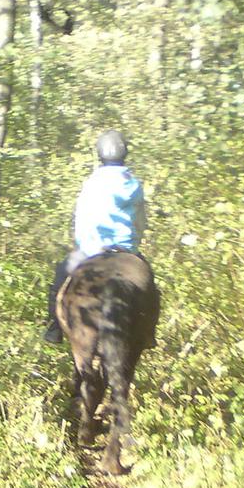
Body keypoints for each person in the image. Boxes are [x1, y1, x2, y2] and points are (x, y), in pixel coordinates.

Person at [44, 130, 147, 343]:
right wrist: (134, 242)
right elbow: (140, 220)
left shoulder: (92, 183)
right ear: (124, 154)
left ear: (99, 154)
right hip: (126, 249)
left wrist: (83, 243)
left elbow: (82, 216)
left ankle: (53, 328)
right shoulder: (134, 185)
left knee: (60, 277)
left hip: (92, 249)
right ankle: (148, 333)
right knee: (149, 283)